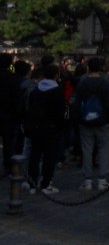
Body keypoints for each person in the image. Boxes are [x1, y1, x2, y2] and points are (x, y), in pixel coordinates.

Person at [73, 56, 109, 191]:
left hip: (85, 121)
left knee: (87, 150)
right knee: (104, 149)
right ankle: (102, 179)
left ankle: (87, 179)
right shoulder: (106, 83)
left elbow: (77, 103)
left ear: (88, 68)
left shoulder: (82, 83)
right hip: (103, 121)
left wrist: (77, 118)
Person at [23, 62, 66, 194]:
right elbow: (60, 112)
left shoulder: (36, 90)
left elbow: (30, 110)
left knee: (35, 155)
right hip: (52, 128)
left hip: (36, 128)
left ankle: (32, 181)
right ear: (56, 75)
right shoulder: (57, 91)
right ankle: (45, 183)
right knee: (49, 156)